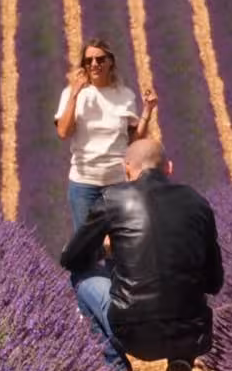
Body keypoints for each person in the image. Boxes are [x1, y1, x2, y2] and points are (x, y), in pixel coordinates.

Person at [60, 138, 224, 371]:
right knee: (183, 287)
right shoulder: (197, 202)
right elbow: (215, 282)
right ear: (169, 168)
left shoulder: (112, 199)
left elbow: (70, 259)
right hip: (192, 333)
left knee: (80, 278)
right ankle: (181, 360)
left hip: (133, 334)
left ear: (126, 169)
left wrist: (107, 250)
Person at [54, 37, 157, 230]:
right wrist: (75, 94)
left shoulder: (125, 95)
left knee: (119, 246)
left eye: (100, 59)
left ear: (111, 62)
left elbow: (133, 143)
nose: (94, 64)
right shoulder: (70, 93)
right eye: (89, 60)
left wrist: (148, 110)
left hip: (117, 183)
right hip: (84, 184)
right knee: (87, 249)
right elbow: (63, 131)